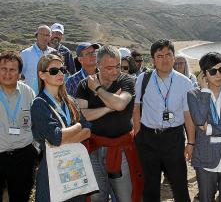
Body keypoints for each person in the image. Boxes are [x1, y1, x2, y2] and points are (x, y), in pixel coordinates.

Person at [76, 45, 143, 202]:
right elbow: (84, 115)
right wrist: (108, 107)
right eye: (109, 68)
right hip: (93, 148)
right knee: (97, 196)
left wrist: (98, 89)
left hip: (122, 150)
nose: (115, 71)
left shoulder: (126, 80)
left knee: (126, 196)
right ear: (98, 65)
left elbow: (120, 105)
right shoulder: (84, 85)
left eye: (118, 66)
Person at [133, 39, 195, 202]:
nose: (165, 59)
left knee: (179, 184)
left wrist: (191, 143)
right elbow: (137, 107)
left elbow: (188, 114)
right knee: (150, 185)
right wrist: (138, 135)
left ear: (174, 58)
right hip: (148, 138)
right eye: (160, 56)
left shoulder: (185, 82)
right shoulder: (143, 79)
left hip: (173, 138)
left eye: (168, 55)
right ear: (153, 60)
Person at [31, 54, 91, 201]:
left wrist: (64, 136)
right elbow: (56, 137)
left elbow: (88, 131)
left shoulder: (70, 100)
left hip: (74, 166)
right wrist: (77, 127)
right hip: (52, 169)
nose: (60, 74)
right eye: (54, 71)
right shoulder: (39, 103)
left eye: (62, 69)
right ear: (42, 75)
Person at [187, 52, 221, 202]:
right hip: (205, 157)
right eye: (213, 71)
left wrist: (211, 129)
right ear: (204, 74)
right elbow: (199, 121)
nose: (218, 75)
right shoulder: (194, 94)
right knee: (206, 198)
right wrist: (205, 91)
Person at [0, 51, 38, 202]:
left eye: (12, 69)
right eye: (3, 68)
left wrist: (35, 149)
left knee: (21, 197)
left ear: (19, 73)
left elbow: (37, 121)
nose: (7, 73)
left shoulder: (28, 92)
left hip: (24, 156)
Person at [20, 25, 56, 92]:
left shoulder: (54, 53)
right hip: (31, 95)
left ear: (50, 37)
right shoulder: (25, 54)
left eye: (47, 35)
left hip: (50, 94)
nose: (45, 37)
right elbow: (18, 74)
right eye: (42, 34)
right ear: (36, 35)